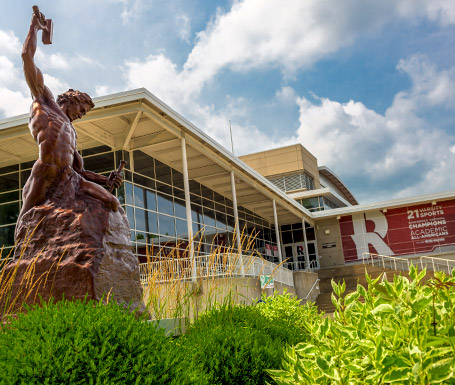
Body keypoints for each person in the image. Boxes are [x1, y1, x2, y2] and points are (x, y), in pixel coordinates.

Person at [18, 11, 122, 222]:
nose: (81, 115)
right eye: (81, 109)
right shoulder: (44, 101)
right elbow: (26, 57)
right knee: (25, 220)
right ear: (70, 100)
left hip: (69, 177)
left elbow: (80, 171)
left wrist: (106, 178)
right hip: (46, 172)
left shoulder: (71, 132)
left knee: (112, 202)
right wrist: (35, 27)